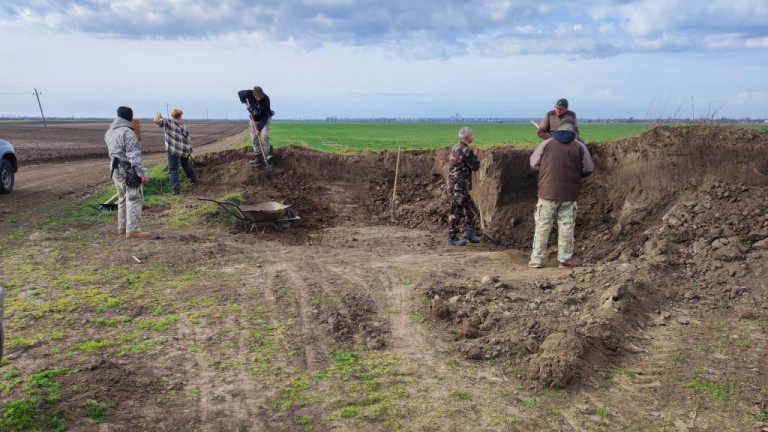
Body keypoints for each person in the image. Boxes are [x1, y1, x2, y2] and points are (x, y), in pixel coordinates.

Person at [528, 118, 594, 268]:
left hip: (547, 194)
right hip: (569, 195)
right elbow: (588, 168)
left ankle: (537, 260)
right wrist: (576, 175)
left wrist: (545, 171)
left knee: (543, 225)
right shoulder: (579, 146)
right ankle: (564, 260)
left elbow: (533, 163)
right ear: (573, 129)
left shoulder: (546, 143)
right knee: (566, 226)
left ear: (559, 128)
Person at [105, 106, 150, 238]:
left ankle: (122, 227)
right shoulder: (128, 132)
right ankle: (133, 230)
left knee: (122, 198)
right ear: (129, 117)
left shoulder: (109, 132)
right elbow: (134, 157)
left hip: (114, 169)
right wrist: (142, 174)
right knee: (134, 197)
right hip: (127, 170)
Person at [447, 127, 482, 246]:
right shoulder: (465, 150)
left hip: (458, 185)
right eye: (471, 135)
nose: (472, 136)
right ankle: (452, 238)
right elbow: (475, 166)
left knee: (471, 208)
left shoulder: (455, 147)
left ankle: (469, 232)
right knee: (456, 210)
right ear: (468, 137)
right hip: (459, 186)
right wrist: (476, 159)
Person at [154, 109, 196, 195]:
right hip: (184, 150)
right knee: (185, 164)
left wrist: (158, 114)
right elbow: (188, 138)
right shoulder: (182, 126)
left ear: (172, 115)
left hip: (173, 150)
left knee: (173, 170)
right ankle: (193, 180)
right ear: (179, 116)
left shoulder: (168, 122)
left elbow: (156, 120)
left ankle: (175, 190)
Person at [238, 86, 274, 171]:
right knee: (254, 138)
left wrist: (259, 129)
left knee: (264, 135)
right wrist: (245, 103)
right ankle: (257, 157)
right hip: (254, 118)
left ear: (262, 94)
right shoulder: (248, 93)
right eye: (256, 97)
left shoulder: (266, 100)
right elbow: (240, 93)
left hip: (264, 119)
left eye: (260, 97)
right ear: (253, 94)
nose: (258, 98)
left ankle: (267, 156)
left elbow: (265, 116)